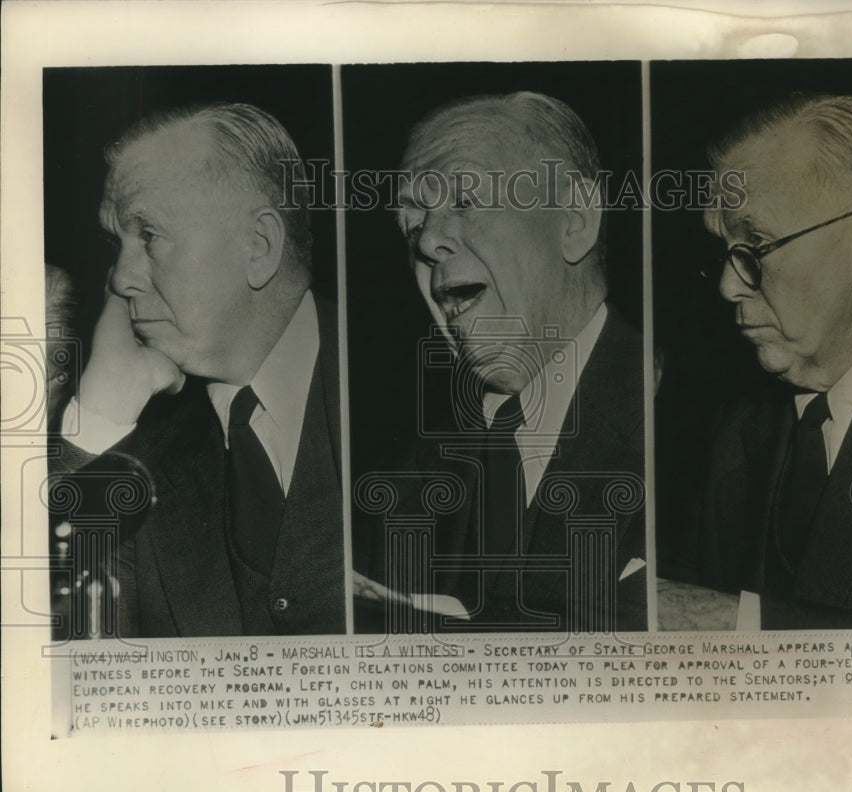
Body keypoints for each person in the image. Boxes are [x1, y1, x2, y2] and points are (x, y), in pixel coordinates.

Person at [356, 91, 647, 633]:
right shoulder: (394, 489)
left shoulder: (703, 436)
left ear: (575, 220)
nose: (429, 241)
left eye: (465, 199)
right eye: (412, 223)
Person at [51, 102, 345, 637]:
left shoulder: (416, 400)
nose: (119, 278)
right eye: (118, 244)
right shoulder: (137, 459)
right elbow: (43, 653)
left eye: (150, 236)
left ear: (259, 247)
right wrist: (98, 419)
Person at [696, 93, 852, 630]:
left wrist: (728, 623)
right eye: (722, 251)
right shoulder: (738, 431)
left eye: (755, 244)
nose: (726, 287)